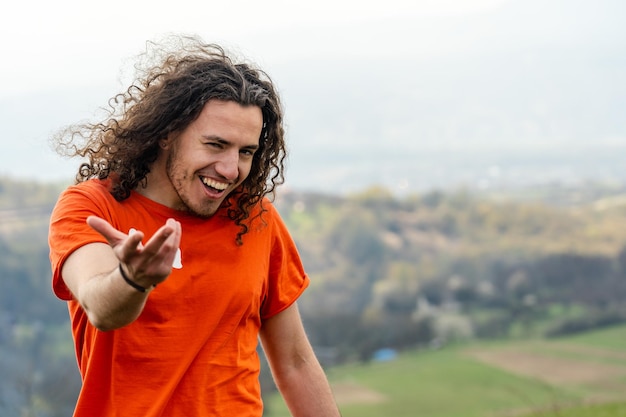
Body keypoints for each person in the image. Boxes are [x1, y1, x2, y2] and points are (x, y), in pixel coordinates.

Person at [48, 34, 341, 417]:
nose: (230, 169)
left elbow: (295, 363)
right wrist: (133, 280)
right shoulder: (92, 206)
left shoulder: (254, 217)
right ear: (168, 133)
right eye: (216, 145)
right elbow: (101, 308)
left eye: (246, 152)